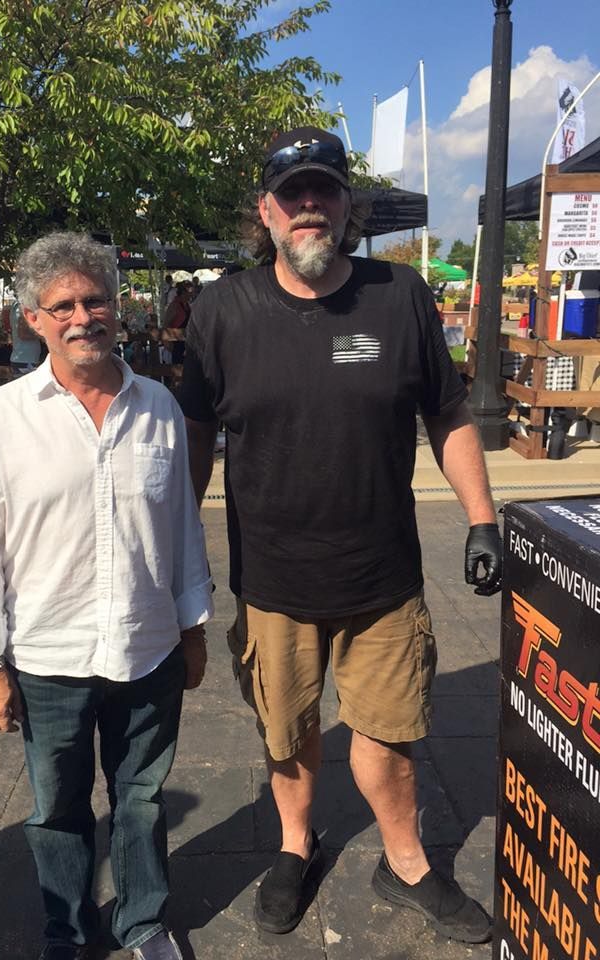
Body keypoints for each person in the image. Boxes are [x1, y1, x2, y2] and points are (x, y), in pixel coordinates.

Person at [179, 126, 501, 944]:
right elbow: (195, 437)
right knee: (286, 737)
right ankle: (295, 845)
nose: (310, 208)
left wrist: (481, 519)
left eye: (325, 191)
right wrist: (179, 549)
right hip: (275, 579)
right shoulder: (223, 309)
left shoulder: (400, 296)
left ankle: (407, 863)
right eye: (294, 196)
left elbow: (449, 414)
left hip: (381, 578)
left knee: (390, 739)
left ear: (347, 205)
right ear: (268, 211)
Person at [0, 232, 213, 960]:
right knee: (57, 811)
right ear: (32, 319)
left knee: (142, 799)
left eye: (95, 300)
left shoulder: (157, 407)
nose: (81, 316)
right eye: (62, 306)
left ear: (117, 309)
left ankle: (145, 921)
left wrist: (194, 627)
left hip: (147, 645)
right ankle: (67, 929)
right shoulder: (2, 418)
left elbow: (182, 525)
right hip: (47, 654)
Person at [8, 296, 42, 376]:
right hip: (26, 360)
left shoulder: (15, 305)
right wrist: (42, 335)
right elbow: (23, 334)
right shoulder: (23, 307)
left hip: (22, 359)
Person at [165, 281, 192, 364]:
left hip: (186, 341)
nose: (191, 294)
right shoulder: (174, 305)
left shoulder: (187, 305)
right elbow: (166, 324)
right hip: (176, 341)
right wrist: (167, 342)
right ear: (184, 292)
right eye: (190, 292)